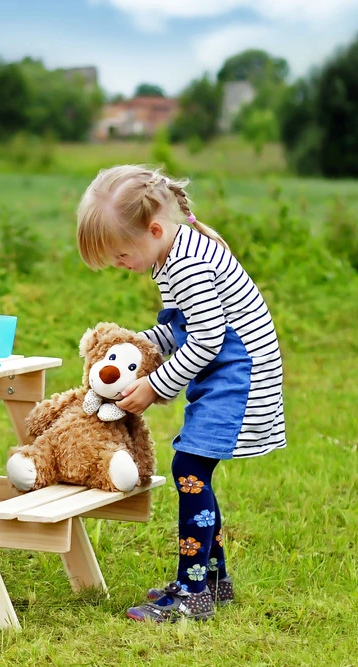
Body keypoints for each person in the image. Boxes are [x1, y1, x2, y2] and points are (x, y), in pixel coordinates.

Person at [75, 165, 286, 622]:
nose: (119, 263)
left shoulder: (187, 264)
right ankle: (213, 580)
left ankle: (194, 594)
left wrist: (153, 386)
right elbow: (181, 328)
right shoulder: (170, 253)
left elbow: (208, 339)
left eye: (121, 253)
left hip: (238, 373)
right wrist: (140, 347)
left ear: (153, 229)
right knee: (195, 470)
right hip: (226, 367)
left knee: (189, 467)